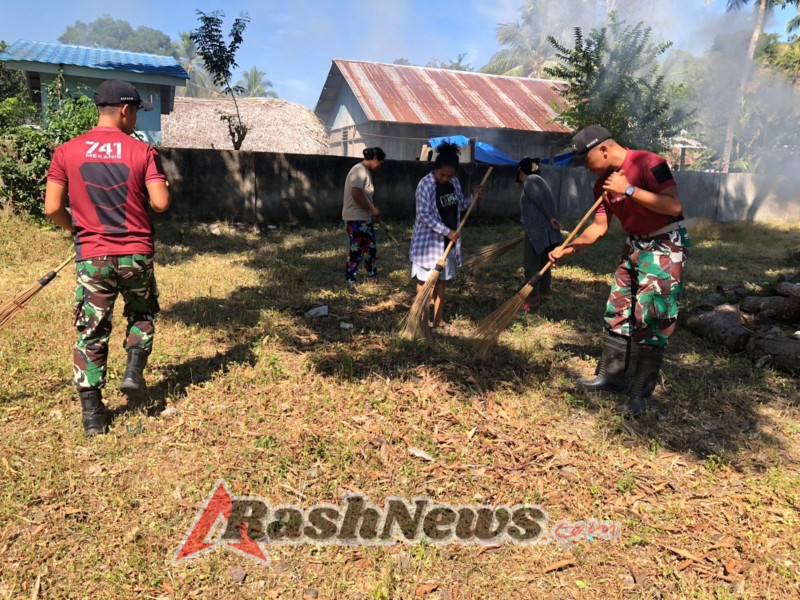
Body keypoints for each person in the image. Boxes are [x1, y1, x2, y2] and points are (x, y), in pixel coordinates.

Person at [44, 79, 171, 436]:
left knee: (92, 330)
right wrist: (162, 187)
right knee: (141, 313)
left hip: (93, 256)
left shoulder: (67, 151)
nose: (137, 120)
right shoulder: (143, 152)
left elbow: (52, 207)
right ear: (126, 110)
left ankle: (92, 416)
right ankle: (133, 371)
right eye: (137, 113)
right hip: (136, 255)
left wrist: (76, 230)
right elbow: (160, 203)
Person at [549, 125, 690, 418]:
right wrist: (569, 248)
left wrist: (628, 189)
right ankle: (611, 377)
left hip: (663, 244)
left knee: (652, 316)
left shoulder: (649, 163)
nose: (585, 167)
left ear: (603, 149)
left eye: (586, 160)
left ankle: (640, 395)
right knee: (618, 308)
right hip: (634, 245)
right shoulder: (602, 185)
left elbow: (674, 206)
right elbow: (598, 228)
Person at [409, 142, 485, 331]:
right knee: (424, 282)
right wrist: (447, 231)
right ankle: (420, 320)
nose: (445, 179)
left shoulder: (454, 183)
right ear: (436, 168)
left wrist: (473, 197)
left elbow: (459, 206)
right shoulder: (425, 185)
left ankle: (438, 319)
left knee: (441, 282)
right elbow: (424, 215)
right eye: (442, 174)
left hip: (447, 244)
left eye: (449, 175)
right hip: (427, 245)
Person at [516, 157, 562, 309]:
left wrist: (550, 218)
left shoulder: (530, 180)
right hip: (544, 230)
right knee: (544, 262)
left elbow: (540, 200)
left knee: (531, 264)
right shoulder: (540, 180)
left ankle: (532, 297)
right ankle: (545, 292)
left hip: (537, 231)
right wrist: (551, 219)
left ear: (522, 172)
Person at [342, 147, 386, 290]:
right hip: (355, 218)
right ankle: (350, 281)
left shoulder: (366, 172)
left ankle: (372, 276)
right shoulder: (358, 171)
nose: (380, 166)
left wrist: (370, 210)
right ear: (375, 159)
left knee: (371, 247)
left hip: (364, 218)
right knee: (357, 249)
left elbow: (365, 196)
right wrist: (371, 208)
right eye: (380, 163)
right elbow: (356, 195)